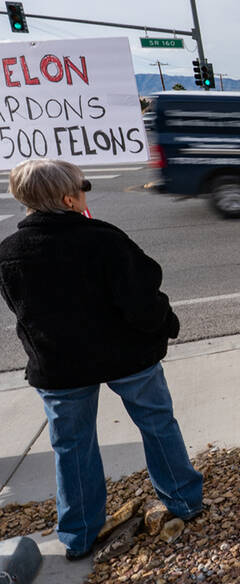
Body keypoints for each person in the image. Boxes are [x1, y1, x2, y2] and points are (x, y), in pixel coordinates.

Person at [0, 159, 203, 561]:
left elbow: (22, 312)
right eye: (83, 185)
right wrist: (165, 322)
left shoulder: (8, 253)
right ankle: (183, 500)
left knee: (71, 447)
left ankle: (78, 534)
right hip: (128, 356)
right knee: (158, 424)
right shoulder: (104, 239)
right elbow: (143, 302)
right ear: (68, 198)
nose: (86, 191)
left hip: (59, 366)